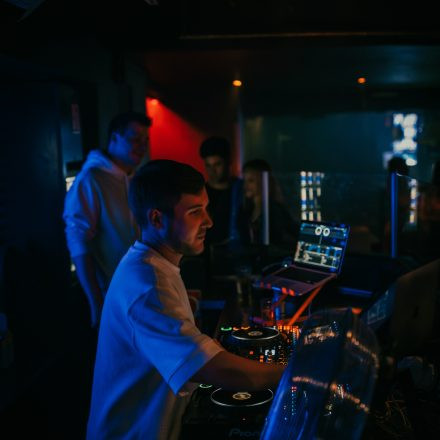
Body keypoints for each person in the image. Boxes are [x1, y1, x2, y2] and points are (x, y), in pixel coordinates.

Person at [86, 160, 284, 439]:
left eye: (206, 208)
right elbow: (213, 369)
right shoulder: (148, 285)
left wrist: (187, 305)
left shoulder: (153, 265)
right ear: (157, 219)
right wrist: (295, 372)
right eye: (195, 212)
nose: (208, 221)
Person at [63, 111, 151, 327]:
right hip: (112, 295)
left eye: (145, 140)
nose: (142, 145)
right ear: (114, 138)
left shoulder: (133, 178)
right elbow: (78, 240)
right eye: (135, 139)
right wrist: (96, 301)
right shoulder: (91, 179)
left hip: (139, 292)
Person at [236, 159, 298, 246]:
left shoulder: (276, 211)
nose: (245, 186)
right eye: (244, 181)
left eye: (251, 181)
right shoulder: (244, 209)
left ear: (263, 180)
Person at [199, 136, 243, 245]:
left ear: (228, 162)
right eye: (208, 165)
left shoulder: (242, 190)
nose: (212, 171)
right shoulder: (200, 194)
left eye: (217, 164)